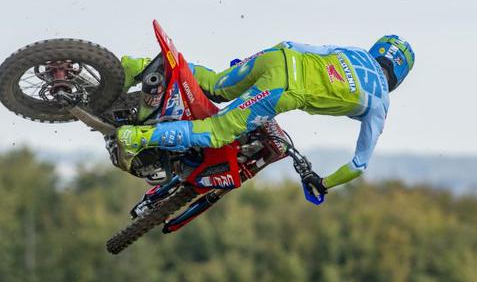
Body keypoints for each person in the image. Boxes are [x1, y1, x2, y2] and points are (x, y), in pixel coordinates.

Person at [114, 35, 414, 194]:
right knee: (218, 132)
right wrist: (323, 183)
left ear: (377, 51)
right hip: (283, 90)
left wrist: (250, 66)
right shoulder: (379, 104)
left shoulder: (356, 53)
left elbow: (295, 45)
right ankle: (138, 137)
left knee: (217, 85)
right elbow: (359, 165)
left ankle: (136, 66)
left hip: (278, 57)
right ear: (399, 77)